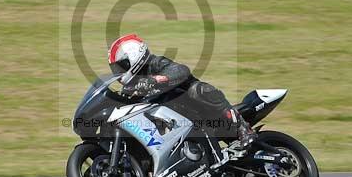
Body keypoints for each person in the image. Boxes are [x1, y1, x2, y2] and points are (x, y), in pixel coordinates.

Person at [107, 33, 257, 149]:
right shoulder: (130, 86)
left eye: (121, 66)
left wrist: (154, 80)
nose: (118, 71)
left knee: (198, 90)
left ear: (133, 58)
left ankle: (242, 128)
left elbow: (181, 70)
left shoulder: (156, 63)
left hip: (199, 112)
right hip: (176, 129)